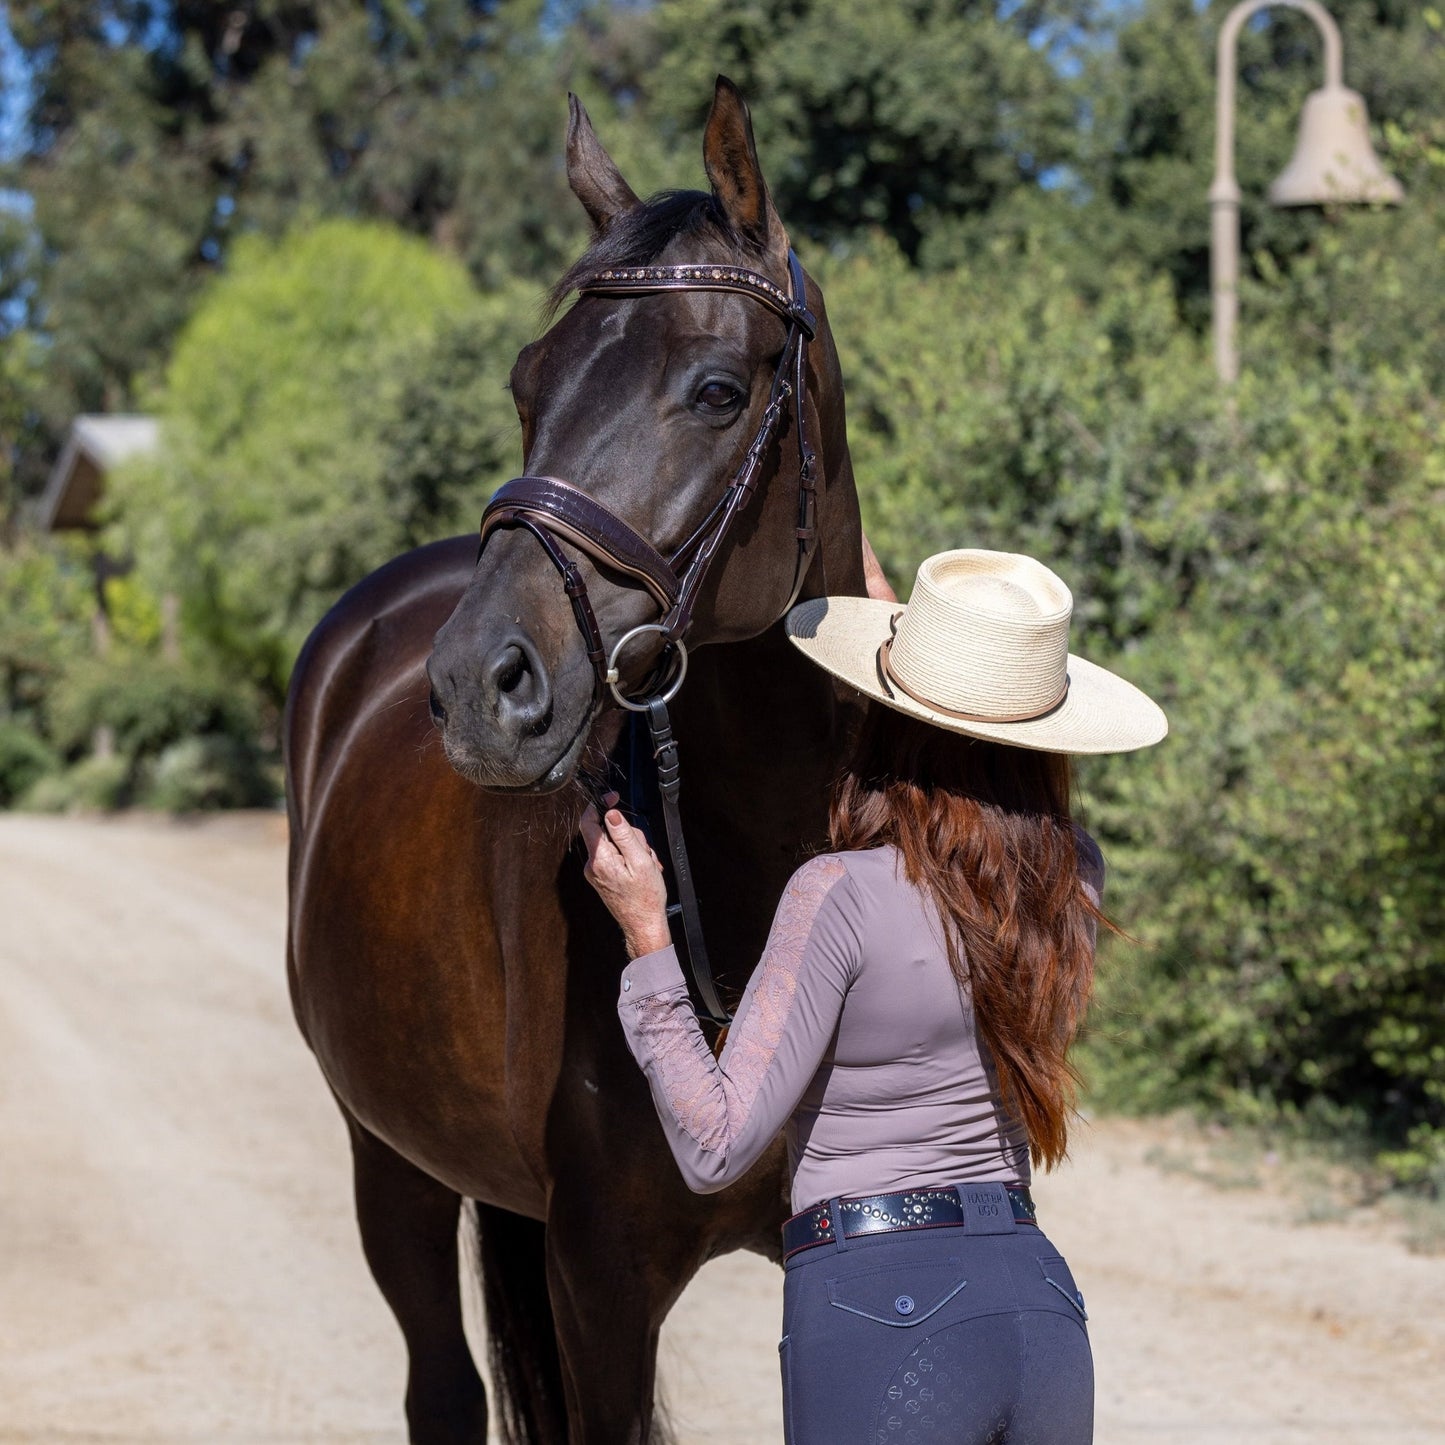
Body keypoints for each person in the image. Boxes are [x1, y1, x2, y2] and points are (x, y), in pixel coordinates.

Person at [580, 549, 1167, 1445]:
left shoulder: (839, 893)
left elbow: (714, 1144)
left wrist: (645, 937)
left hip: (883, 1311)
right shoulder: (1073, 880)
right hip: (1039, 1305)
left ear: (889, 719)